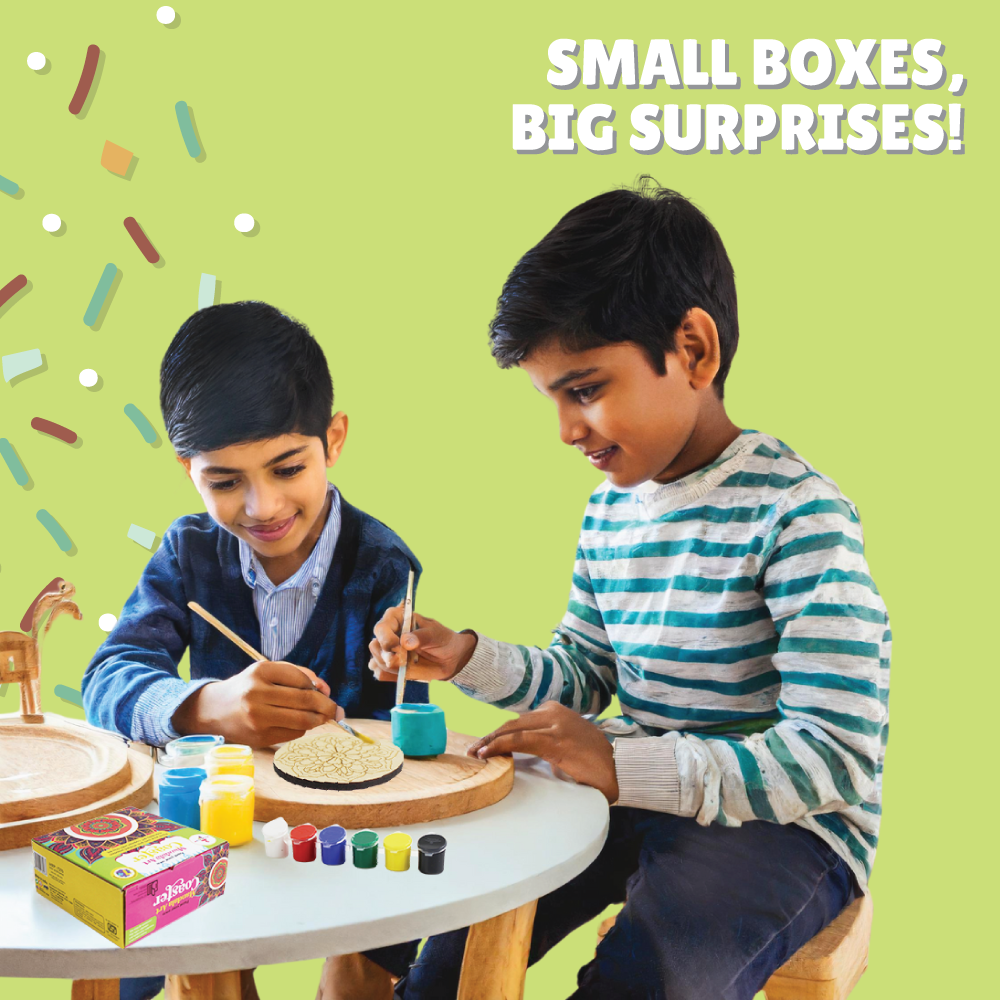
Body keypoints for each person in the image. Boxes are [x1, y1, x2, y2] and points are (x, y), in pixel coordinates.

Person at [366, 180, 890, 1000]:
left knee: (644, 982)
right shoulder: (611, 511)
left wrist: (618, 762)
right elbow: (583, 670)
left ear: (693, 349)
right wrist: (466, 656)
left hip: (783, 826)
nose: (568, 430)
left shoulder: (800, 515)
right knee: (448, 967)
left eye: (586, 389)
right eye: (553, 401)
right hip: (626, 785)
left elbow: (835, 753)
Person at [82, 300, 424, 1000]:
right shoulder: (188, 552)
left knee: (369, 961)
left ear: (334, 439)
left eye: (287, 467)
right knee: (137, 960)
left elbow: (400, 744)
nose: (262, 507)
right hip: (210, 824)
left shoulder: (383, 564)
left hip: (335, 839)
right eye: (225, 481)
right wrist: (208, 705)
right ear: (188, 471)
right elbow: (108, 678)